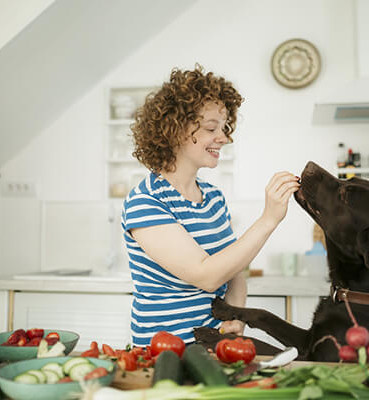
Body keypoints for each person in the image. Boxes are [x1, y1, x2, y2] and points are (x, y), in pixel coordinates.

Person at [121, 65, 299, 346]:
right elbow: (207, 275)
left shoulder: (214, 198)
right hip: (166, 350)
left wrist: (236, 318)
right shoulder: (146, 201)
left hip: (216, 344)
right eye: (211, 128)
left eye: (224, 128)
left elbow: (235, 270)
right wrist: (269, 219)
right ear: (175, 130)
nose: (224, 138)